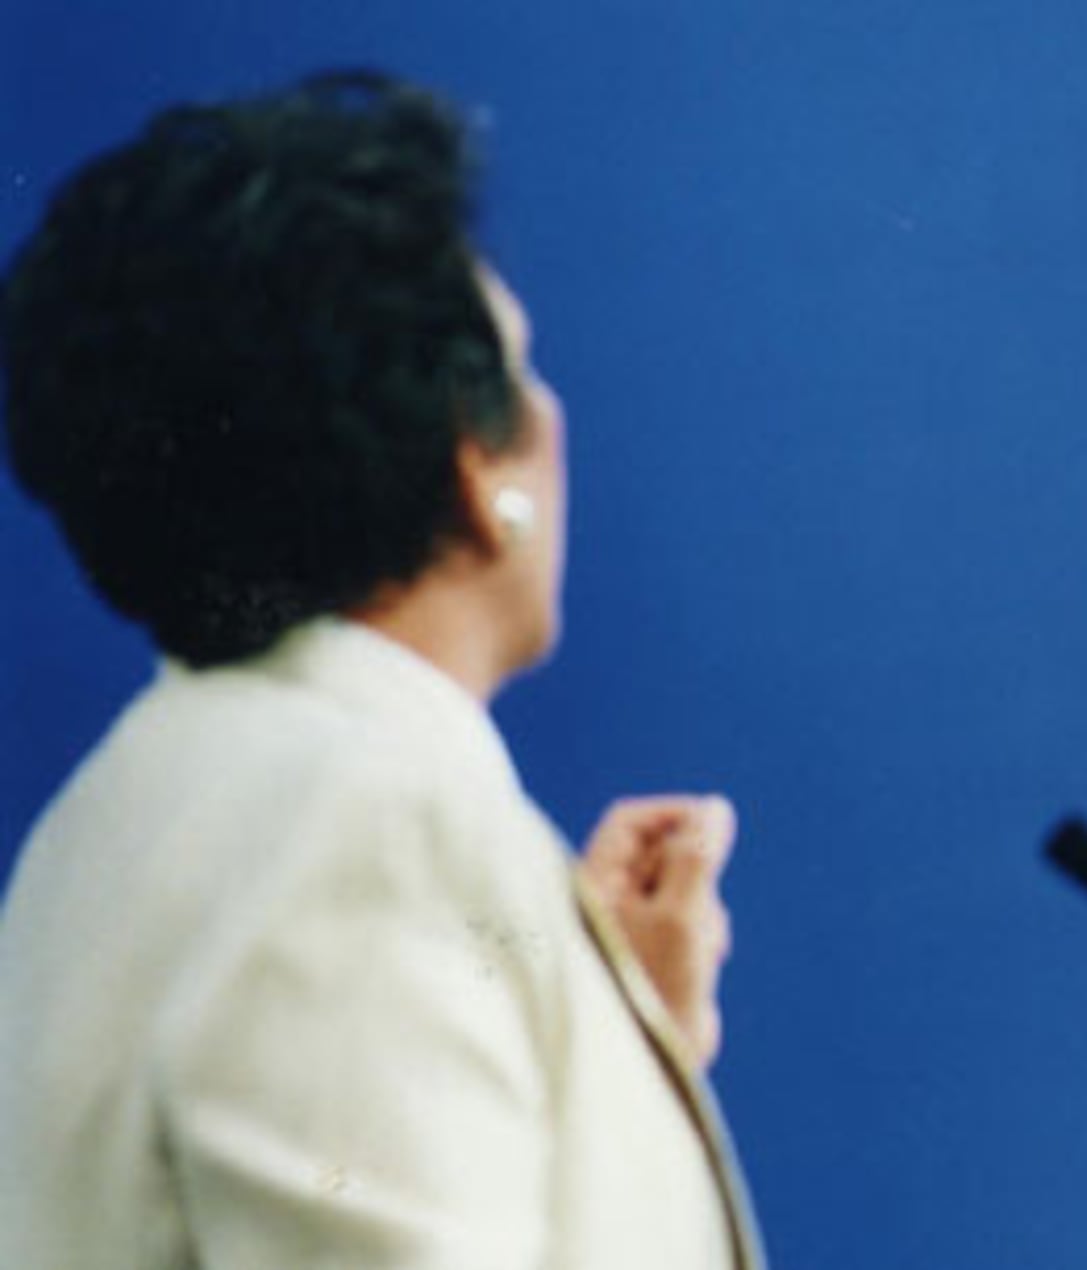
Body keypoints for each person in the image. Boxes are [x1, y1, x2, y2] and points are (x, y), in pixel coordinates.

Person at [0, 71, 761, 1268]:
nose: (554, 415)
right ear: (476, 465)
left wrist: (612, 1032)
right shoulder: (372, 834)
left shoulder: (112, 823)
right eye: (521, 366)